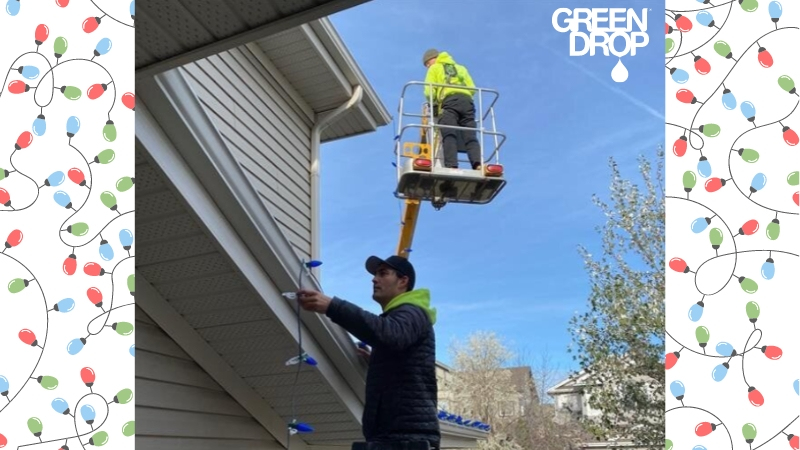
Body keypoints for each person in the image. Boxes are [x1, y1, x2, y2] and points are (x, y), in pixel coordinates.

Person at [297, 255, 439, 450]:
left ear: (403, 281)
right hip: (393, 436)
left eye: (383, 273)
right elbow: (402, 356)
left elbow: (391, 334)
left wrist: (333, 307)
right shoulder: (403, 317)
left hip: (407, 439)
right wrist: (378, 360)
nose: (374, 279)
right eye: (375, 274)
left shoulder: (413, 312)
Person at [422, 48, 482, 170]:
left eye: (427, 64)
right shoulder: (461, 68)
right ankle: (477, 164)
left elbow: (429, 92)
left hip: (449, 102)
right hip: (467, 102)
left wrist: (434, 102)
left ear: (432, 59)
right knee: (470, 135)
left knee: (449, 133)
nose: (428, 67)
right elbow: (472, 88)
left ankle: (452, 166)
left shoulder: (435, 68)